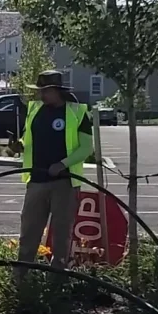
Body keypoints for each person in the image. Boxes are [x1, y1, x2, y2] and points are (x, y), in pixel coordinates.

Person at [9, 70, 93, 274]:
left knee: (62, 232)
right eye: (40, 91)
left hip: (64, 182)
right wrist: (18, 146)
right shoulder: (35, 110)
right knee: (29, 230)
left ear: (57, 91)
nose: (41, 95)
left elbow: (87, 148)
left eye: (45, 91)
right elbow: (28, 140)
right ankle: (22, 274)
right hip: (36, 180)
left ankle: (57, 277)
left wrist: (63, 164)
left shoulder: (77, 112)